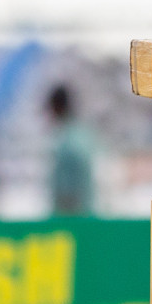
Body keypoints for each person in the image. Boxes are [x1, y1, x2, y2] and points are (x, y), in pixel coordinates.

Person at [46, 84, 96, 215]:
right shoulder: (80, 134)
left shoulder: (69, 142)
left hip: (74, 217)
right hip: (83, 215)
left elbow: (68, 189)